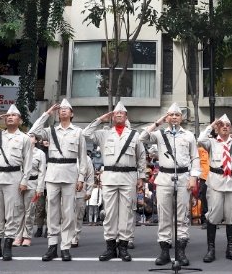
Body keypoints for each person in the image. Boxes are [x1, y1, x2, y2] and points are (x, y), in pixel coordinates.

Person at [83, 101, 146, 262]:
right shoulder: (104, 134)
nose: (118, 115)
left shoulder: (134, 135)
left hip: (129, 177)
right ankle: (110, 246)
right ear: (112, 117)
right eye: (115, 113)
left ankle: (123, 247)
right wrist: (100, 119)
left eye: (121, 113)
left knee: (126, 213)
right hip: (110, 176)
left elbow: (141, 157)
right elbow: (85, 134)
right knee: (110, 213)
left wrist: (141, 177)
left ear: (126, 117)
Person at [140, 103, 200, 266]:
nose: (174, 117)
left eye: (177, 115)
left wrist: (193, 177)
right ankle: (165, 251)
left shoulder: (188, 135)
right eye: (171, 115)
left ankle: (180, 252)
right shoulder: (159, 134)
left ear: (181, 118)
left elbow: (195, 158)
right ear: (167, 117)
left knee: (182, 216)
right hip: (165, 177)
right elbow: (142, 137)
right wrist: (158, 122)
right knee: (164, 215)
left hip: (183, 177)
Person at [28, 98, 86, 262]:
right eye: (61, 109)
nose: (63, 111)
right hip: (52, 174)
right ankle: (52, 245)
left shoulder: (78, 132)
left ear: (72, 113)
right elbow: (33, 131)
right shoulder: (50, 130)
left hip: (70, 175)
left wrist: (81, 178)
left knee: (68, 213)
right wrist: (47, 113)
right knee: (52, 212)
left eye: (66, 109)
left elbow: (82, 157)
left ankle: (65, 247)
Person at [0, 105, 33, 261]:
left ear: (20, 120)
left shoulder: (24, 138)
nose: (10, 117)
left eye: (14, 115)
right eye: (7, 115)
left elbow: (28, 162)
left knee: (12, 214)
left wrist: (24, 181)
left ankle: (7, 247)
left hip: (14, 178)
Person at [197, 114, 232, 263]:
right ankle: (211, 250)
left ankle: (230, 249)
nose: (225, 127)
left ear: (230, 128)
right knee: (213, 216)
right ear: (217, 128)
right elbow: (200, 140)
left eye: (227, 125)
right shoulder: (211, 143)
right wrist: (212, 125)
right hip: (216, 185)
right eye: (221, 125)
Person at [13, 134, 47, 247]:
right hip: (18, 183)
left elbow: (42, 172)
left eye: (32, 136)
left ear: (36, 140)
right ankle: (17, 236)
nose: (29, 138)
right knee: (18, 210)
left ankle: (27, 236)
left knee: (30, 211)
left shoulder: (40, 153)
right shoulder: (19, 151)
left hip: (33, 183)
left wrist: (40, 187)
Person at [72, 153, 94, 248]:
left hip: (81, 190)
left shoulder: (86, 158)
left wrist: (89, 191)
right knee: (66, 216)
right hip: (66, 189)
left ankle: (75, 237)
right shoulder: (65, 154)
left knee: (78, 216)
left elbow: (90, 175)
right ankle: (67, 236)